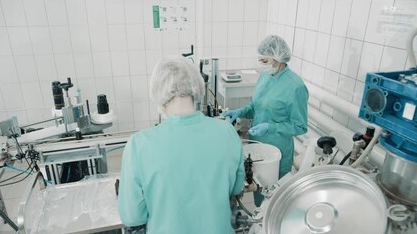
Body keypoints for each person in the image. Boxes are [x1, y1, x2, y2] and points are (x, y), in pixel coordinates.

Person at [118, 57, 245, 234]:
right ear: (196, 88)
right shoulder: (226, 132)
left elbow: (132, 216)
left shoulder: (139, 144)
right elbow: (237, 187)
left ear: (158, 92)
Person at [223, 35, 308, 206]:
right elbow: (256, 106)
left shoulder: (295, 86)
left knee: (273, 201)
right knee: (258, 195)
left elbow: (300, 126)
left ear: (278, 58)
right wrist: (240, 111)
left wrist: (270, 127)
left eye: (264, 60)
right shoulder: (265, 76)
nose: (261, 63)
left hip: (278, 153)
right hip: (258, 149)